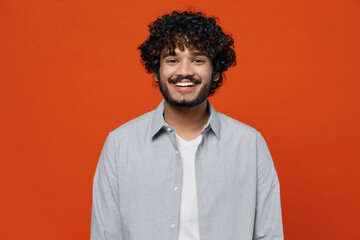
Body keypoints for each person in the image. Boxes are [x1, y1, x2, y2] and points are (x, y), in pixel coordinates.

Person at [91, 11, 283, 240]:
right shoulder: (119, 145)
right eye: (172, 60)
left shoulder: (250, 145)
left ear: (215, 72)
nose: (184, 71)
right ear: (155, 71)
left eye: (198, 60)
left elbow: (269, 235)